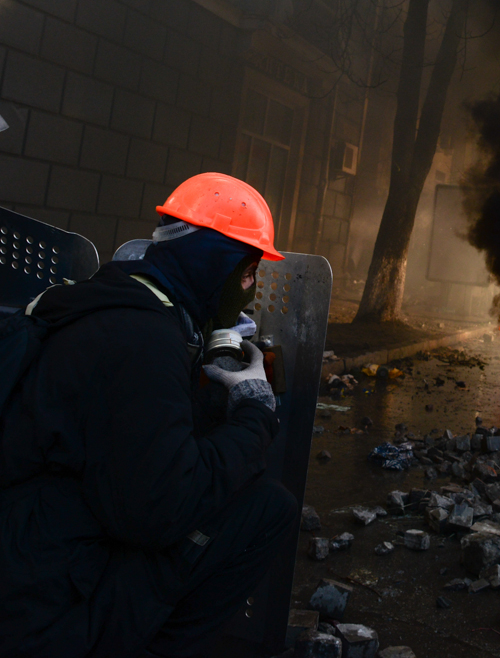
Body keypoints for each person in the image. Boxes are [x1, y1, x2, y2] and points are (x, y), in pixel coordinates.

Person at [0, 173, 298, 658]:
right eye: (247, 273)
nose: (252, 288)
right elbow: (161, 511)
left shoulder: (109, 299)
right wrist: (255, 413)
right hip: (42, 605)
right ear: (213, 265)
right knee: (267, 511)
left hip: (32, 541)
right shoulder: (144, 342)